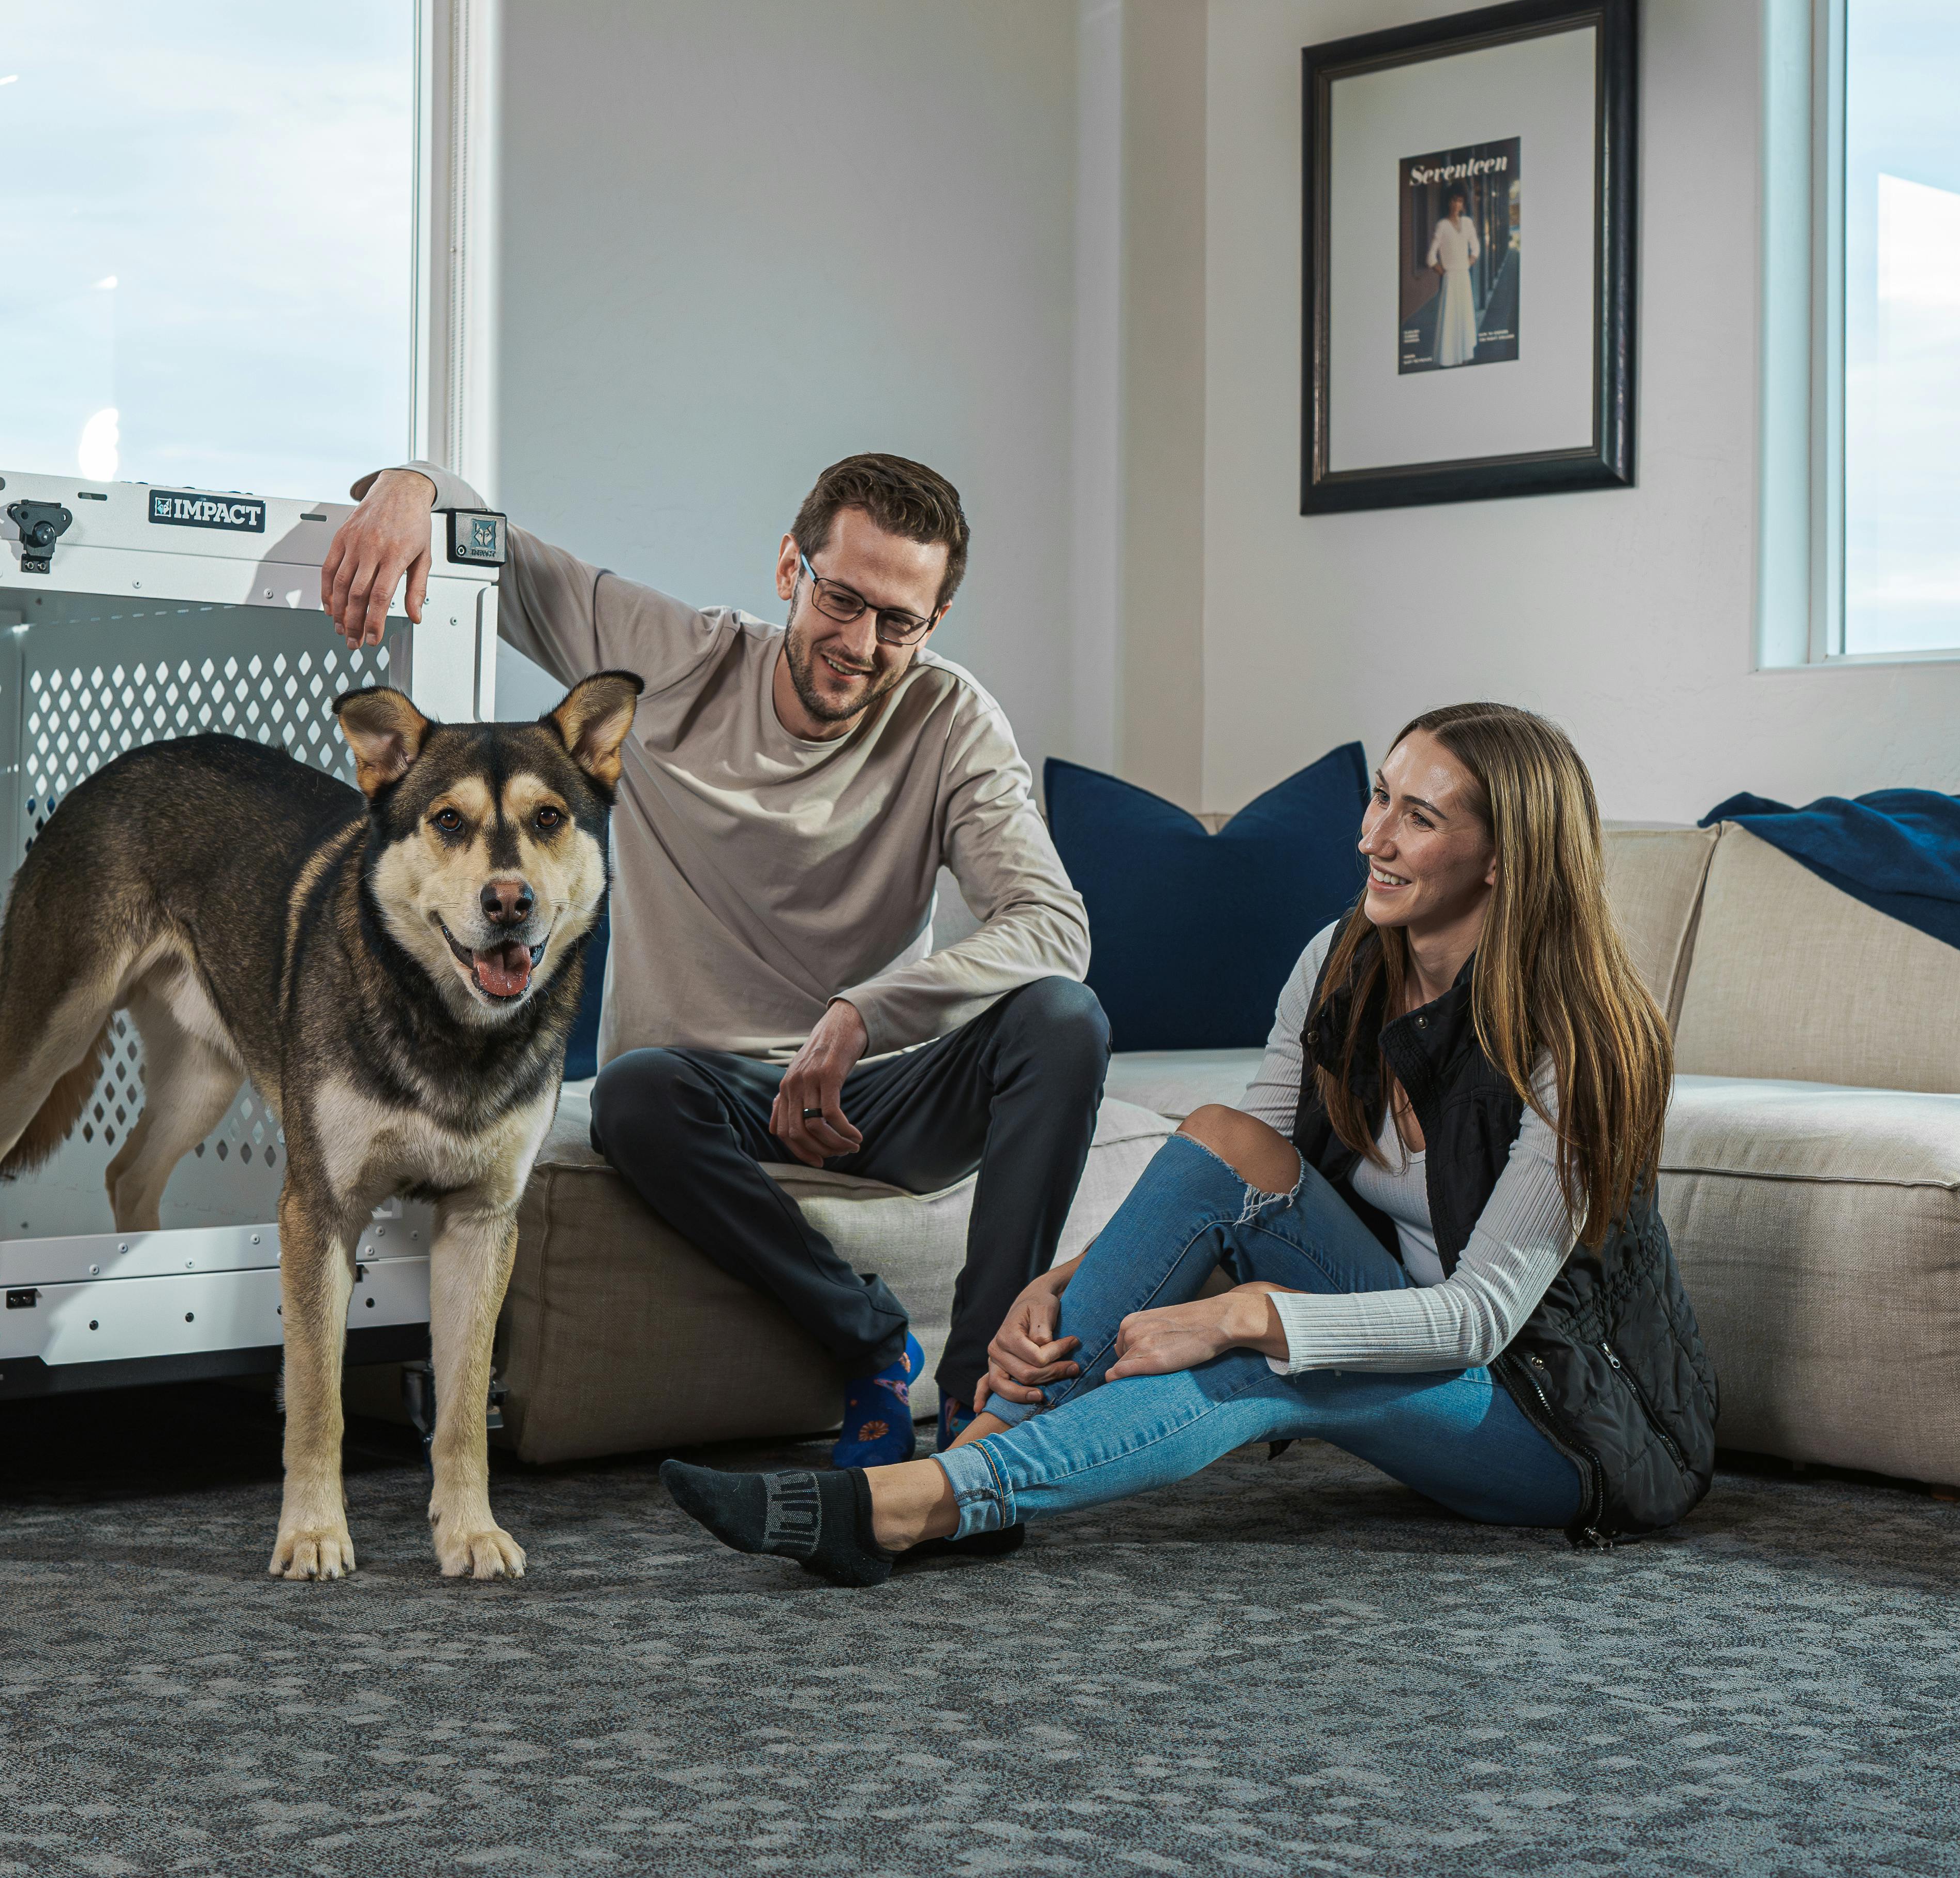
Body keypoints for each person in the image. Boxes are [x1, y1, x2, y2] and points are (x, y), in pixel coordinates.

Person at [657, 701, 1716, 1584]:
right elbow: (1230, 1172)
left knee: (1267, 1362)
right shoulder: (1345, 957)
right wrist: (1071, 1280)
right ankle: (962, 1474)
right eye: (1380, 795)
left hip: (1552, 1419)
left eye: (1420, 817)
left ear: (1501, 858)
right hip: (1393, 1326)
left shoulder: (1584, 1042)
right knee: (1222, 1135)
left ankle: (929, 1501)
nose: (1374, 837)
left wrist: (1239, 1315)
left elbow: (1477, 1318)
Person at [317, 453, 1103, 1465]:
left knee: (1064, 1021)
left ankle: (979, 1403)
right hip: (707, 1096)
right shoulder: (679, 660)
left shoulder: (951, 721)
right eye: (842, 598)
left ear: (934, 622)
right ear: (791, 567)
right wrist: (410, 485)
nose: (861, 645)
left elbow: (1053, 924)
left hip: (876, 1092)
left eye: (898, 621)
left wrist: (866, 1015)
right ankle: (870, 1339)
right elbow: (506, 560)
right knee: (632, 1092)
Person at [1428, 191, 1483, 368]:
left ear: (1463, 204)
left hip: (1464, 277)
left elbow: (1476, 247)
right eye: (1454, 200)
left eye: (1460, 201)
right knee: (1450, 317)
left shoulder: (1467, 223)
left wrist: (1469, 261)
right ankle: (1449, 358)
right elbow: (1431, 257)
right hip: (1451, 279)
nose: (1457, 204)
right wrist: (1444, 271)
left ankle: (1465, 355)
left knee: (1465, 316)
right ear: (1448, 201)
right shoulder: (1442, 225)